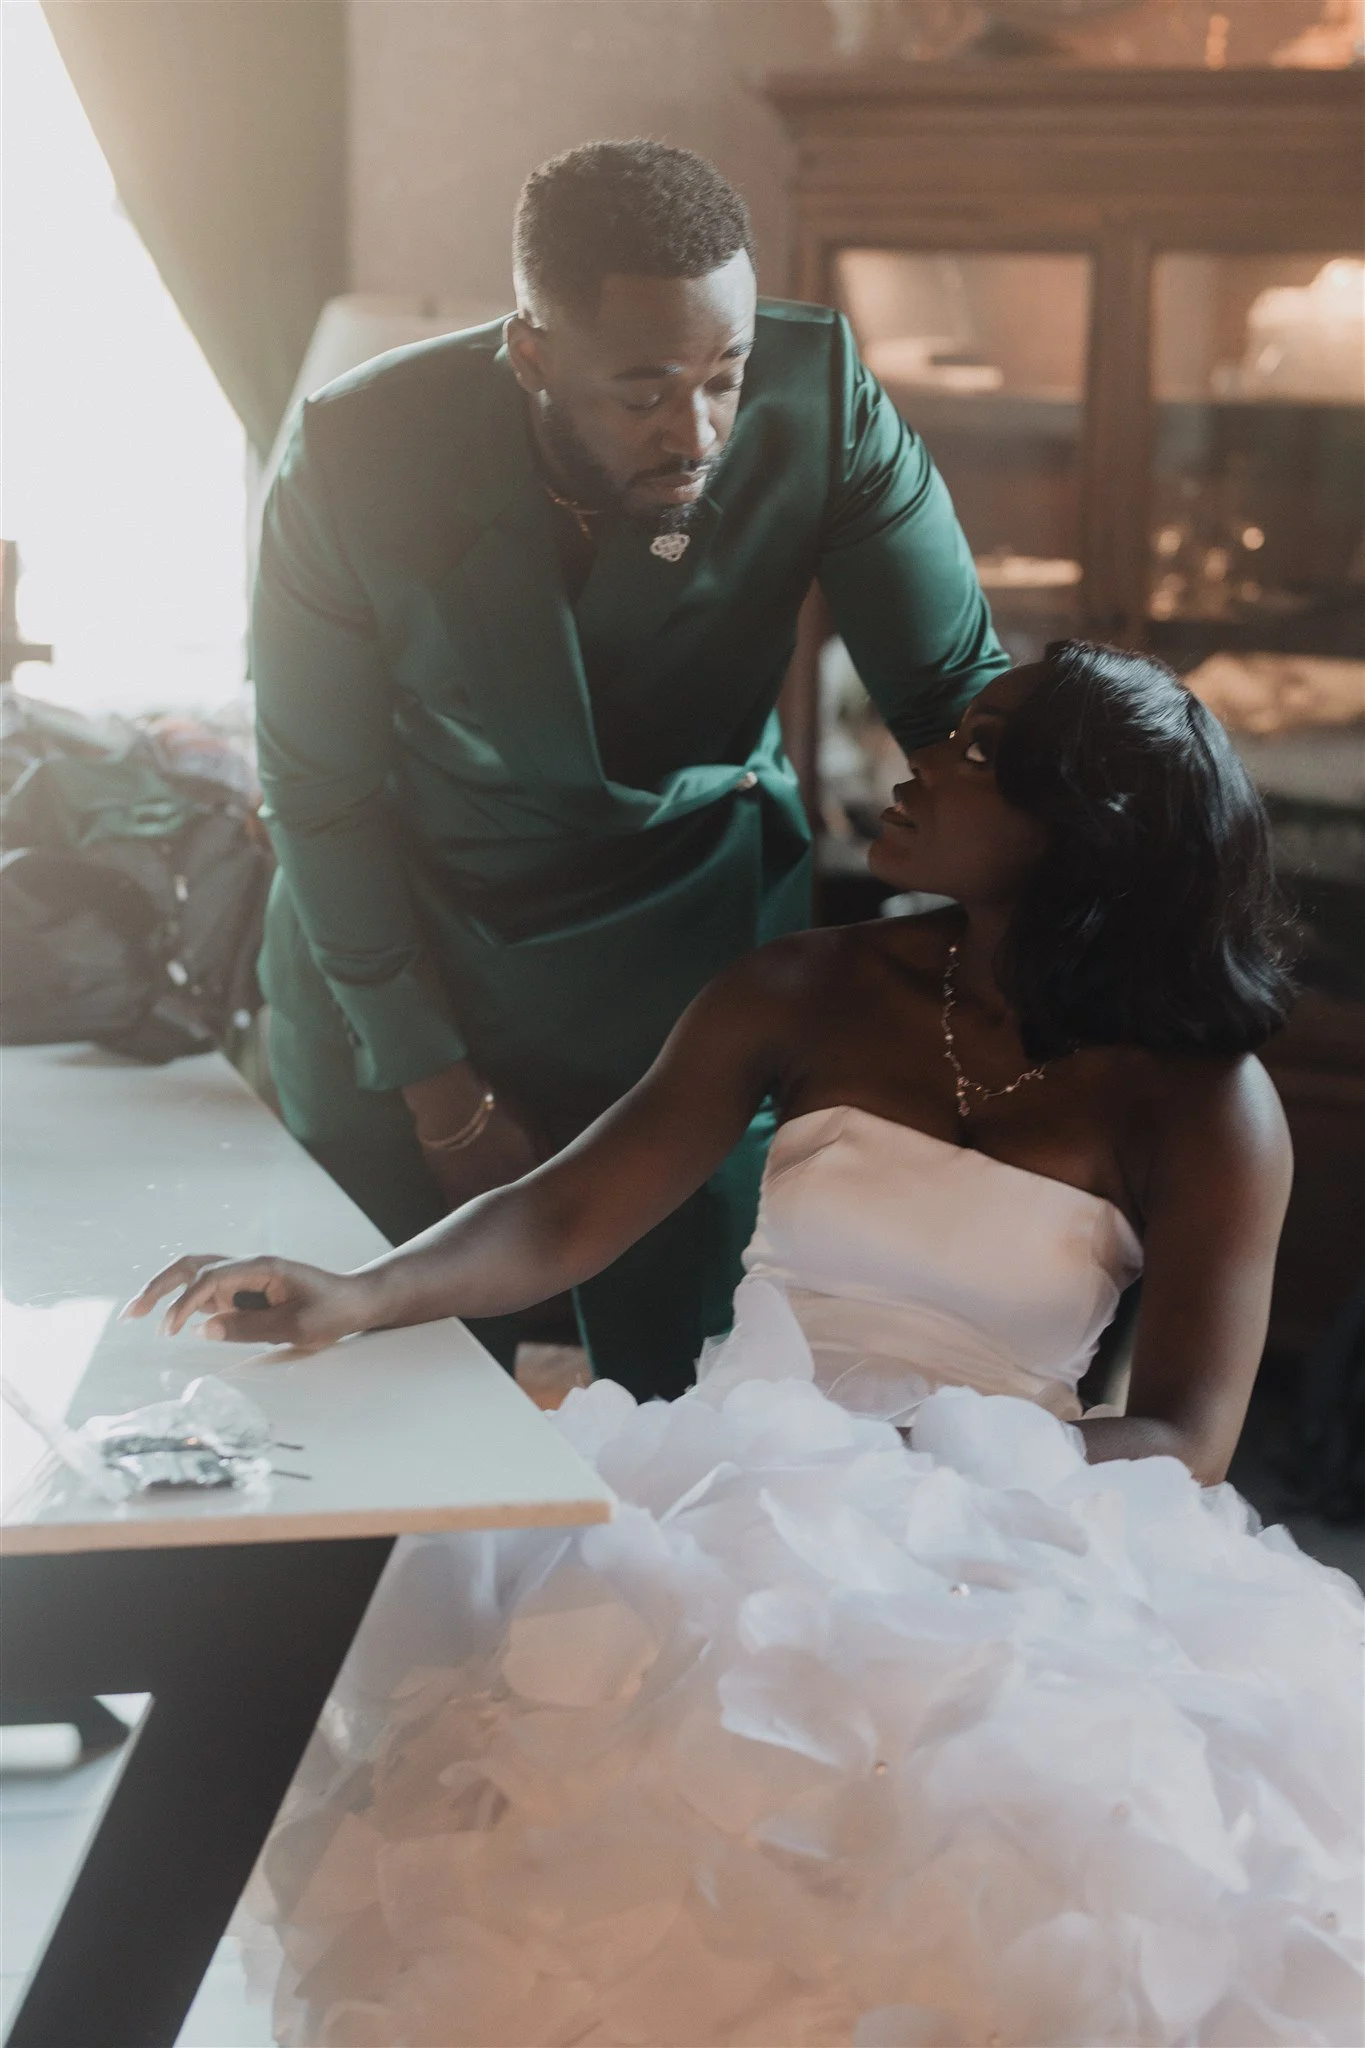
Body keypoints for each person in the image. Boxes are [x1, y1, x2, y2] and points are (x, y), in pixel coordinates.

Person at [132, 643, 1362, 2046]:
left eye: (976, 746)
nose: (917, 756)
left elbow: (1190, 1438)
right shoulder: (805, 987)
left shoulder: (1207, 1101)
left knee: (1024, 1831)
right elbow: (572, 1210)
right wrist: (366, 1288)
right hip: (738, 1477)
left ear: (1085, 821)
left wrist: (923, 1473)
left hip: (1017, 1518)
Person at [252, 138, 1006, 1399]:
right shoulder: (358, 452)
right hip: (402, 946)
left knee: (697, 1402)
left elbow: (956, 701)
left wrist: (1056, 955)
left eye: (726, 374)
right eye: (646, 389)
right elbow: (321, 794)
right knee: (386, 1408)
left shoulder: (819, 398)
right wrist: (441, 1095)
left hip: (682, 958)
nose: (698, 427)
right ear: (532, 354)